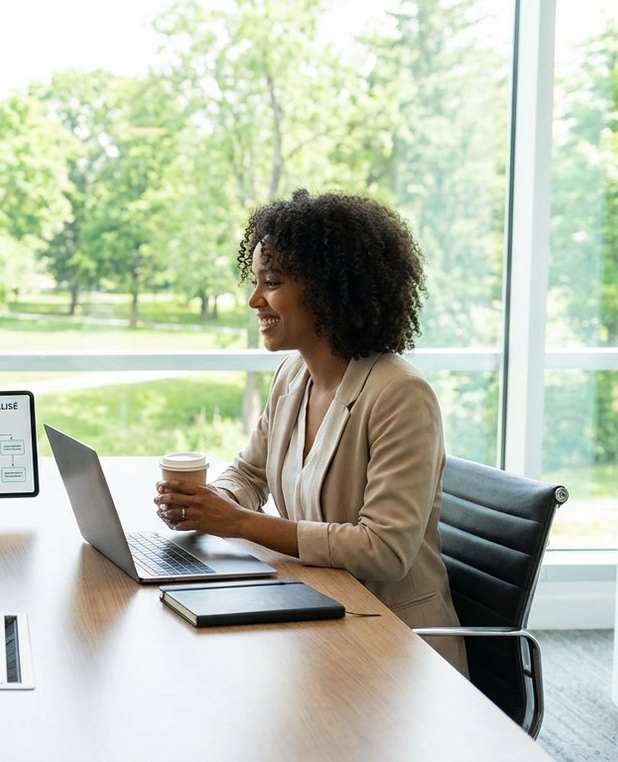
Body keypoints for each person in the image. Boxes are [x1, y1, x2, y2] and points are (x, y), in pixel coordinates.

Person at [152, 189, 468, 675]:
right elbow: (250, 473)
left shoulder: (400, 395)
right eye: (255, 282)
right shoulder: (293, 377)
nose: (255, 300)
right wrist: (208, 502)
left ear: (328, 289)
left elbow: (383, 551)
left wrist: (235, 522)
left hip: (397, 645)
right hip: (318, 615)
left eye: (272, 283)